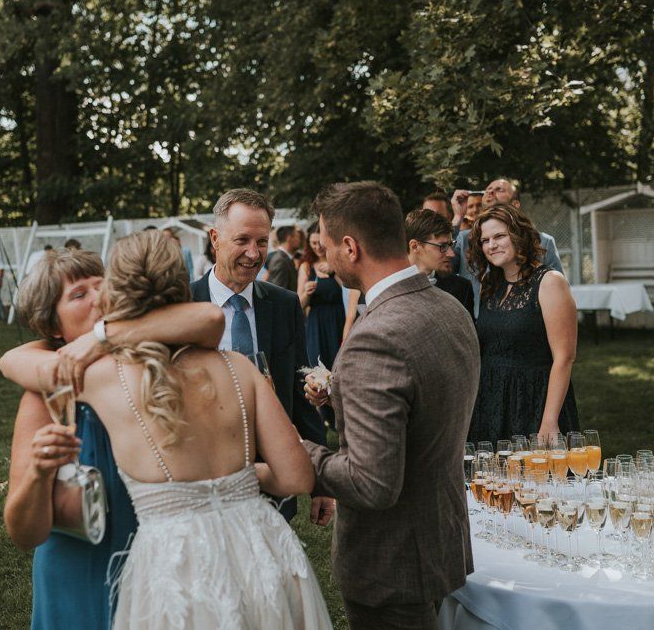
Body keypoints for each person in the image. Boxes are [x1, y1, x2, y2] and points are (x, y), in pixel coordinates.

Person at [77, 231, 332, 628]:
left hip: (177, 565)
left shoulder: (99, 378)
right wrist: (239, 480)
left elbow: (16, 363)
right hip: (260, 549)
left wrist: (101, 334)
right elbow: (298, 474)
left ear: (115, 289)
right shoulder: (237, 366)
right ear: (183, 286)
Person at [0, 248, 226, 630]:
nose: (99, 298)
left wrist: (103, 337)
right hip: (82, 574)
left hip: (163, 563)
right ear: (53, 326)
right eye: (78, 294)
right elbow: (23, 533)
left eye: (101, 285)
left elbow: (210, 317)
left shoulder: (150, 362)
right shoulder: (45, 391)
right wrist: (39, 475)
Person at [303, 181, 479, 630]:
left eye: (326, 246)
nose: (325, 258)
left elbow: (371, 483)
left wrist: (299, 452)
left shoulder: (375, 338)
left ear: (350, 246)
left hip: (391, 562)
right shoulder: (447, 306)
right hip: (441, 541)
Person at [190, 188, 330, 522]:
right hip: (202, 478)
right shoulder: (184, 302)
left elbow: (300, 390)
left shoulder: (284, 304)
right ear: (215, 238)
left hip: (274, 479)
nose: (254, 254)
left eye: (262, 241)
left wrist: (321, 480)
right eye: (242, 240)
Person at [467, 204, 579, 444]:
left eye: (499, 236)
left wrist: (549, 419)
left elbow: (564, 358)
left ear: (519, 235)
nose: (491, 245)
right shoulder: (490, 283)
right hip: (491, 402)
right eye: (485, 240)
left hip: (534, 402)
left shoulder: (550, 282)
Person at [453, 179, 562, 315]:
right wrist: (457, 218)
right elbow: (439, 266)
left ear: (515, 204)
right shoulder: (463, 239)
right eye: (485, 240)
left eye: (499, 189)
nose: (490, 192)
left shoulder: (543, 242)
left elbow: (558, 296)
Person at [405, 208, 475, 315]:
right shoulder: (385, 284)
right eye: (443, 246)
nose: (451, 254)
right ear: (415, 246)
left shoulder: (461, 288)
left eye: (451, 245)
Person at [298, 223, 345, 371]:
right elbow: (299, 305)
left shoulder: (339, 262)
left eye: (320, 243)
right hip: (316, 323)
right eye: (313, 243)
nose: (317, 247)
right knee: (318, 366)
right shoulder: (306, 266)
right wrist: (306, 292)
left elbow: (350, 291)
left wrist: (334, 272)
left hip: (339, 319)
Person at [265, 225, 301, 291]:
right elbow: (279, 292)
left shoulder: (284, 258)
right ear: (289, 238)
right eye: (298, 237)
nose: (299, 240)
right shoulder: (280, 260)